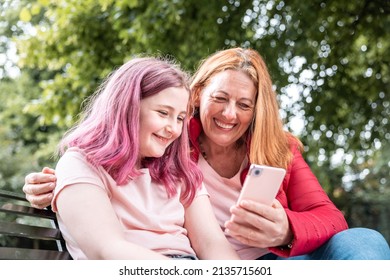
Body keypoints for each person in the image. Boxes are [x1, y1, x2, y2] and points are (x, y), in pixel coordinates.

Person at [23, 48, 390, 260]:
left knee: (364, 242)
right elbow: (105, 153)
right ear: (199, 97)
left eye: (244, 104)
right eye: (220, 98)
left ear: (257, 109)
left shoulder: (276, 148)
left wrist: (286, 231)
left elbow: (328, 217)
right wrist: (55, 184)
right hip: (187, 266)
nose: (230, 114)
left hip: (262, 261)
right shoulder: (176, 147)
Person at [34, 56, 240, 260]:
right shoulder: (80, 165)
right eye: (162, 113)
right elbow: (108, 251)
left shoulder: (180, 172)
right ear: (128, 108)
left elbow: (213, 244)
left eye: (179, 118)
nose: (174, 129)